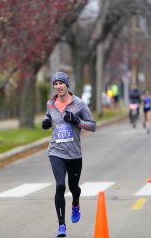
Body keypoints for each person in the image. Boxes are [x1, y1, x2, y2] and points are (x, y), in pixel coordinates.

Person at [42, 72, 96, 237]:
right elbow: (48, 117)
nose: (58, 87)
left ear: (67, 85)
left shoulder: (79, 104)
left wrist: (77, 121)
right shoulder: (50, 104)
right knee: (60, 185)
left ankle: (75, 202)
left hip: (73, 154)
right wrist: (45, 122)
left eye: (61, 83)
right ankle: (61, 226)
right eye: (55, 84)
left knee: (73, 187)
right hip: (56, 151)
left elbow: (93, 126)